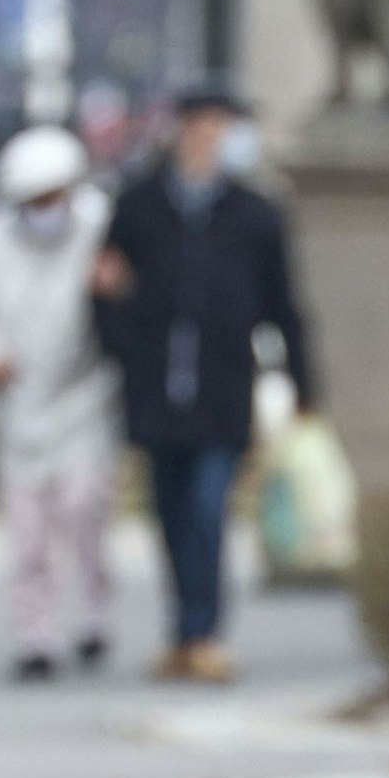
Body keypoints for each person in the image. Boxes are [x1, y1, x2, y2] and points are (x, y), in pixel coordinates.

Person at [91, 82, 313, 684]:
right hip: (156, 386)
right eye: (202, 125)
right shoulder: (138, 206)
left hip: (221, 386)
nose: (210, 137)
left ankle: (204, 630)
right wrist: (120, 339)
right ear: (183, 130)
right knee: (168, 513)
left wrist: (302, 384)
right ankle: (182, 633)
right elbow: (105, 288)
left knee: (209, 509)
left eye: (222, 126)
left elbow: (282, 303)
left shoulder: (254, 212)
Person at [0, 124, 123, 680]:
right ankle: (35, 634)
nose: (45, 209)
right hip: (19, 400)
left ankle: (93, 618)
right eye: (34, 200)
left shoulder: (99, 226)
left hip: (85, 394)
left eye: (52, 197)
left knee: (84, 513)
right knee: (28, 531)